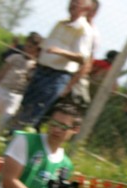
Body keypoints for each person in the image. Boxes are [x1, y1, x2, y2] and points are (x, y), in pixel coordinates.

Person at [10, 0, 94, 132]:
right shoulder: (60, 23)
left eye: (77, 3)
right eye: (72, 2)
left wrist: (60, 52)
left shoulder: (84, 31)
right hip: (40, 70)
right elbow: (45, 47)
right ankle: (10, 136)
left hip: (56, 76)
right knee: (24, 105)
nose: (72, 5)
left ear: (86, 9)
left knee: (35, 111)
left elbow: (82, 58)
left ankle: (21, 139)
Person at [0, 32, 43, 135]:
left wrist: (32, 69)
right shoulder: (15, 57)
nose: (28, 49)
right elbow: (2, 72)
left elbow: (30, 80)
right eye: (27, 46)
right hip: (3, 88)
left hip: (16, 94)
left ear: (37, 50)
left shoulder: (35, 65)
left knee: (6, 117)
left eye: (31, 47)